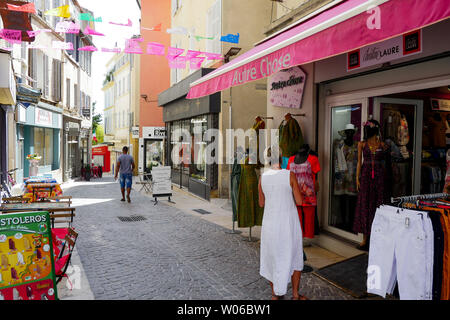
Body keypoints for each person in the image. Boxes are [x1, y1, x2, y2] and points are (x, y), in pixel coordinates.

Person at [258, 152, 307, 300]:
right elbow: (299, 201)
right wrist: (302, 191)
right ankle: (295, 295)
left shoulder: (262, 178)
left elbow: (261, 203)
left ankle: (275, 294)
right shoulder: (290, 175)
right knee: (295, 255)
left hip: (270, 223)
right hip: (288, 223)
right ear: (281, 160)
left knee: (271, 257)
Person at [354, 119, 390, 250]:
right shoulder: (362, 144)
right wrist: (356, 178)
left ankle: (378, 237)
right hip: (365, 176)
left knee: (378, 205)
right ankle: (364, 239)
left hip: (380, 177)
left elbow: (388, 162)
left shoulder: (383, 145)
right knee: (365, 205)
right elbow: (359, 162)